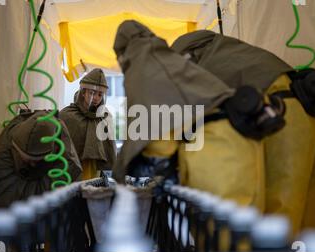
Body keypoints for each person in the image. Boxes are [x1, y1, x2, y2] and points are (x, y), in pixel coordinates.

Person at [171, 30, 315, 233]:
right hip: (309, 110)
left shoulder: (183, 60)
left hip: (280, 116)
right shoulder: (224, 50)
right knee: (309, 219)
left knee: (275, 224)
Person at [112, 20, 285, 210]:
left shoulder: (142, 66)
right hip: (242, 135)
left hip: (215, 148)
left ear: (122, 54)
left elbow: (155, 132)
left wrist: (130, 172)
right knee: (252, 225)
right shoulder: (171, 60)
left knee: (222, 232)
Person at [0, 110, 82, 208]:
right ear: (16, 149)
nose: (33, 164)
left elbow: (70, 175)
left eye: (37, 160)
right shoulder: (5, 148)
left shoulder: (62, 148)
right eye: (27, 160)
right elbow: (5, 200)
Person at [60, 68, 117, 180]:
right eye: (92, 93)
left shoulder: (105, 117)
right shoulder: (67, 115)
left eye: (100, 94)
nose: (96, 98)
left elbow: (109, 148)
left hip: (95, 174)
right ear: (83, 92)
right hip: (71, 174)